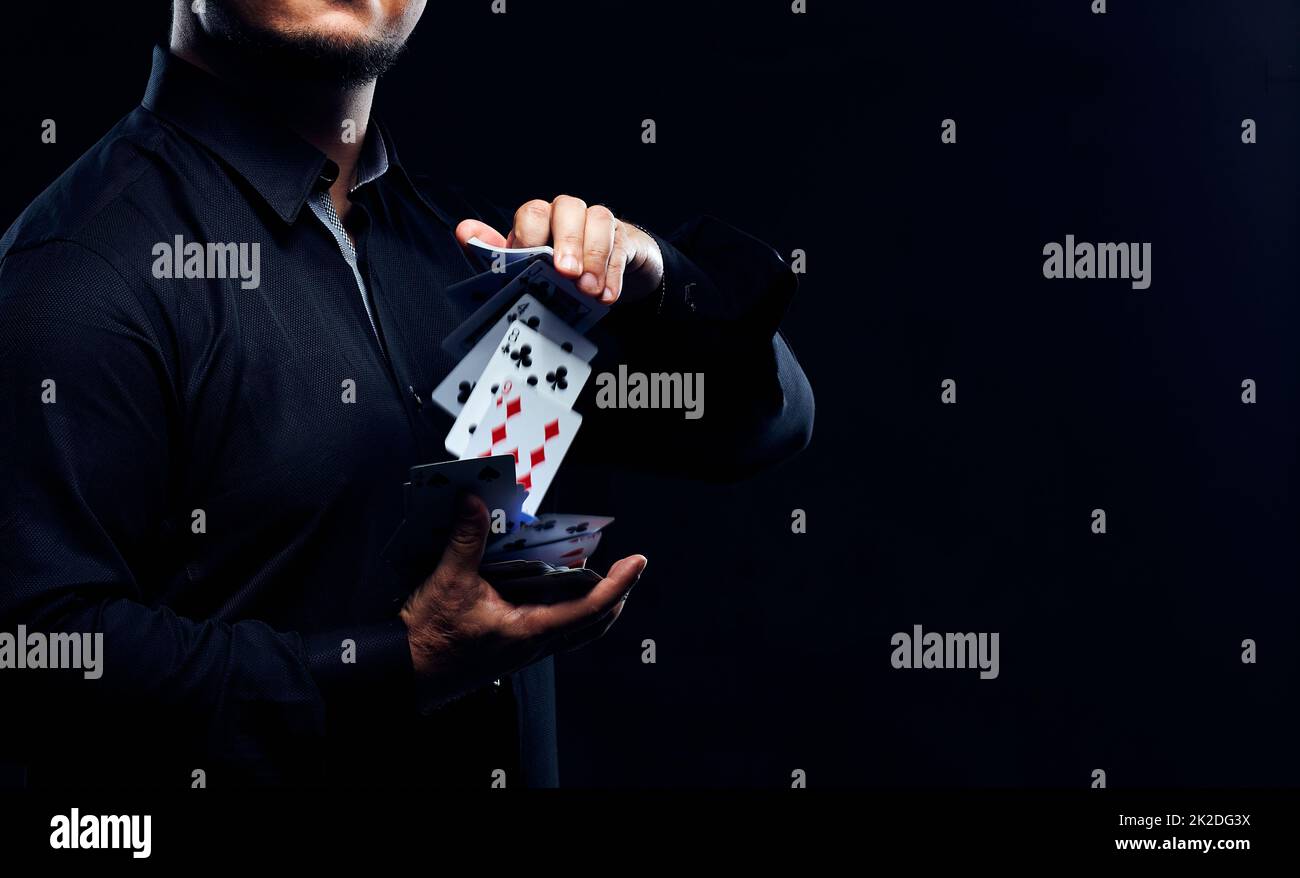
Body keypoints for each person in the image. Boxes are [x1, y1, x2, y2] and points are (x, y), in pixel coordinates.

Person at [0, 0, 813, 787]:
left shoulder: (477, 256)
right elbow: (34, 656)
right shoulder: (71, 272)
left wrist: (659, 277)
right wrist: (404, 662)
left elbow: (763, 420)